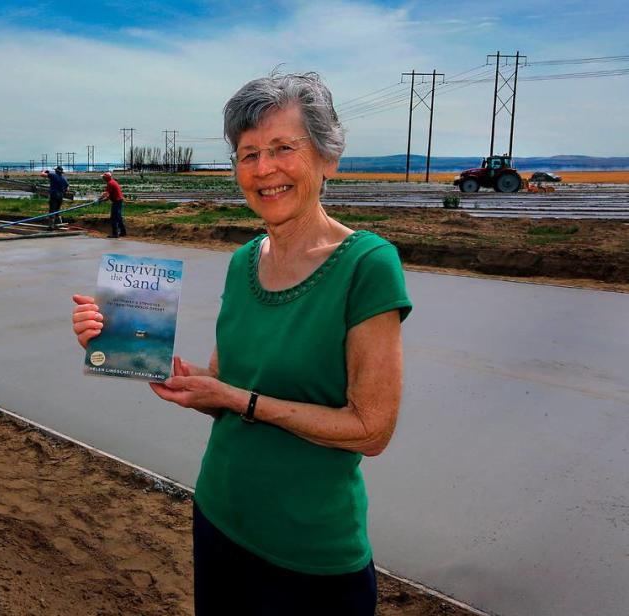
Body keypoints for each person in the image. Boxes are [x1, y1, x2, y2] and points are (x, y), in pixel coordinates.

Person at [71, 72, 412, 615]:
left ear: (328, 159)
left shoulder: (368, 266)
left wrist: (240, 401)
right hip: (219, 520)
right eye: (247, 153)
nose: (263, 169)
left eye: (282, 148)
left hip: (310, 557)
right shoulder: (242, 262)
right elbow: (224, 390)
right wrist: (124, 346)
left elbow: (371, 430)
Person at [99, 171, 127, 238]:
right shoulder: (113, 182)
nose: (103, 178)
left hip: (117, 201)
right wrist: (103, 200)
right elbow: (109, 196)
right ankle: (123, 232)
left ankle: (115, 234)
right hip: (119, 201)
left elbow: (106, 194)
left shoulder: (110, 183)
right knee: (118, 217)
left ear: (107, 178)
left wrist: (100, 199)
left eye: (103, 177)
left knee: (114, 217)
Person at [42, 165, 69, 230]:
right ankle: (60, 224)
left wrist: (44, 171)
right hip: (60, 196)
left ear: (56, 171)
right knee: (57, 211)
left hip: (54, 195)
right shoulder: (64, 179)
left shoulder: (53, 175)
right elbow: (67, 188)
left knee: (52, 210)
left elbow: (42, 175)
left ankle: (51, 226)